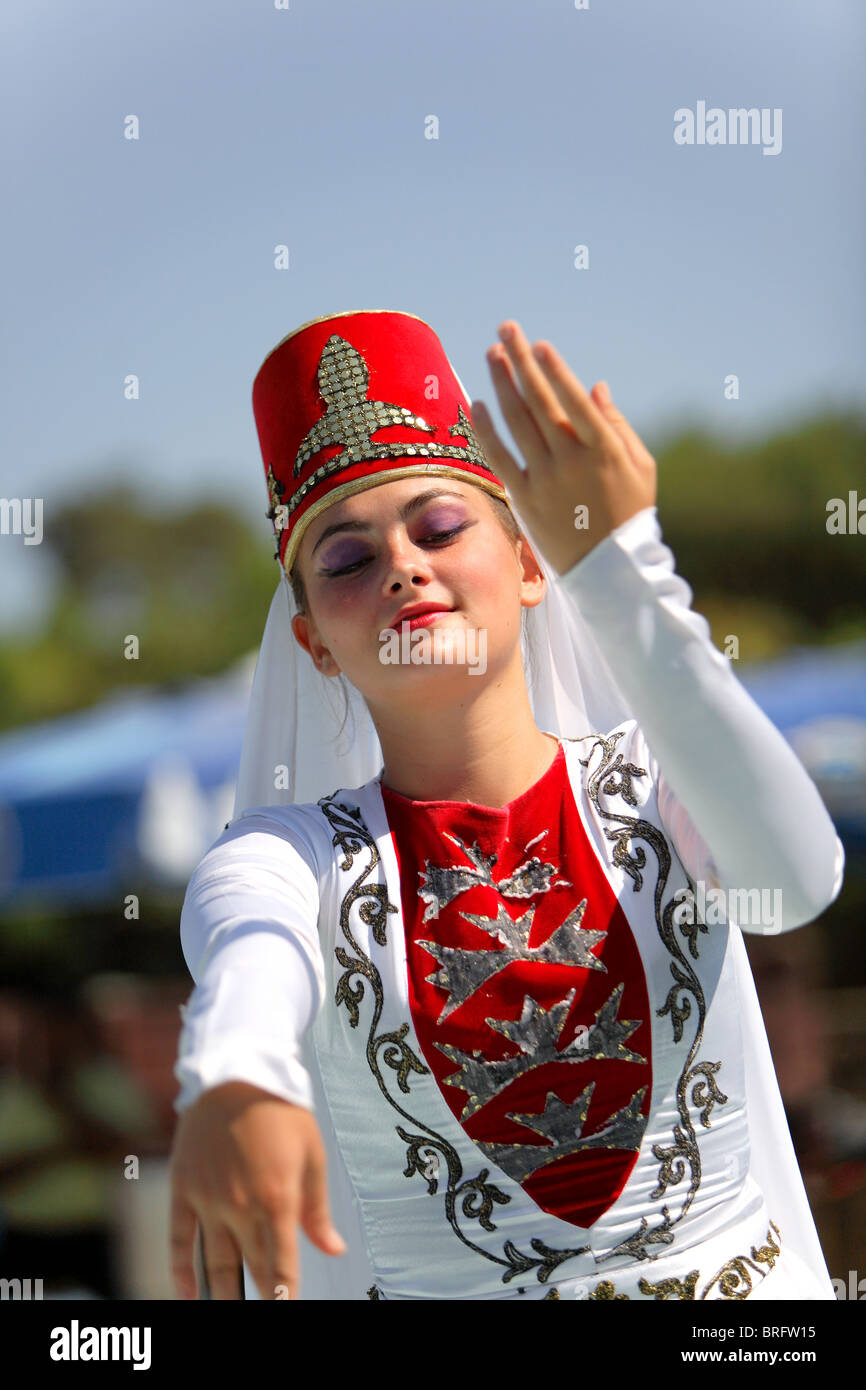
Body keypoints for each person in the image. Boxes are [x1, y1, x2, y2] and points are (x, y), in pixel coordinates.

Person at [169, 309, 845, 1301]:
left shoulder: (662, 783)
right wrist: (233, 1074)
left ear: (528, 567)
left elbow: (791, 881)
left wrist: (624, 566)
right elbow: (249, 948)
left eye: (439, 526)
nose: (403, 564)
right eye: (348, 560)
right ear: (313, 642)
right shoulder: (284, 857)